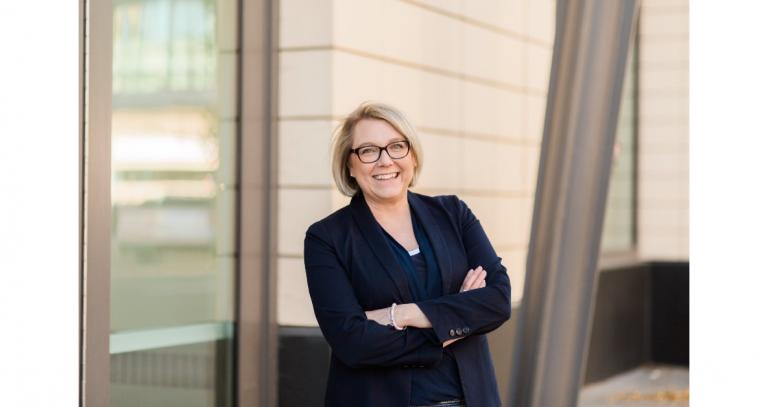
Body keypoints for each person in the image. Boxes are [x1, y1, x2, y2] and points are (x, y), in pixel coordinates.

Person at [303, 102, 512, 407]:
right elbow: (352, 342)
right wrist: (453, 321)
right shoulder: (327, 238)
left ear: (412, 156)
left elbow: (497, 300)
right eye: (368, 151)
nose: (385, 161)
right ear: (350, 165)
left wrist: (400, 314)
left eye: (396, 147)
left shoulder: (453, 214)